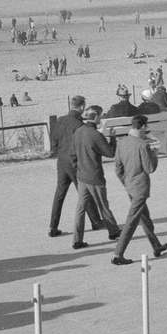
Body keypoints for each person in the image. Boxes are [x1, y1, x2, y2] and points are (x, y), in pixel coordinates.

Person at [112, 116, 167, 265]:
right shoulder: (142, 145)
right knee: (132, 221)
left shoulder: (122, 142)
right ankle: (118, 253)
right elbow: (150, 168)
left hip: (129, 185)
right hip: (140, 187)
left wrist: (126, 182)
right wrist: (154, 154)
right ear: (142, 127)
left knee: (145, 217)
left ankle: (156, 245)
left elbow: (118, 168)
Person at [48, 95, 102, 237]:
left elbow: (53, 143)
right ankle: (96, 221)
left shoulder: (59, 121)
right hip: (75, 162)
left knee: (59, 194)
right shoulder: (80, 125)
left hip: (61, 162)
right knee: (85, 192)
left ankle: (53, 226)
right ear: (82, 107)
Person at [71, 107, 122, 250]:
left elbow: (73, 154)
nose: (101, 119)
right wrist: (112, 138)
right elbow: (110, 153)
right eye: (100, 116)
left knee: (80, 209)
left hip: (82, 176)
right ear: (94, 118)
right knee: (103, 206)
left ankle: (77, 239)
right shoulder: (95, 135)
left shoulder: (78, 131)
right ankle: (113, 231)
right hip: (94, 176)